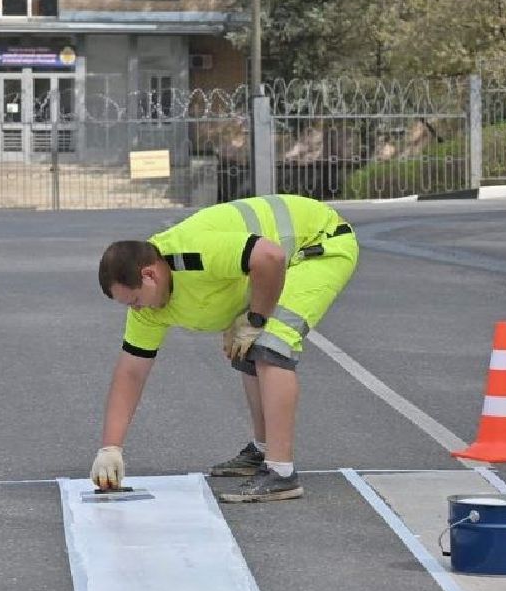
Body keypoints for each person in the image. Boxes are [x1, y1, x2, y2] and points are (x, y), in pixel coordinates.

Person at [92, 194, 359, 503]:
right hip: (275, 262)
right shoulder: (148, 308)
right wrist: (110, 449)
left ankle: (281, 473)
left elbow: (270, 256)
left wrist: (256, 318)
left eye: (135, 301)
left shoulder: (192, 253)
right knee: (246, 350)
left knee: (271, 345)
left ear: (149, 274)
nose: (136, 311)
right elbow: (131, 372)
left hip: (318, 245)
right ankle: (262, 452)